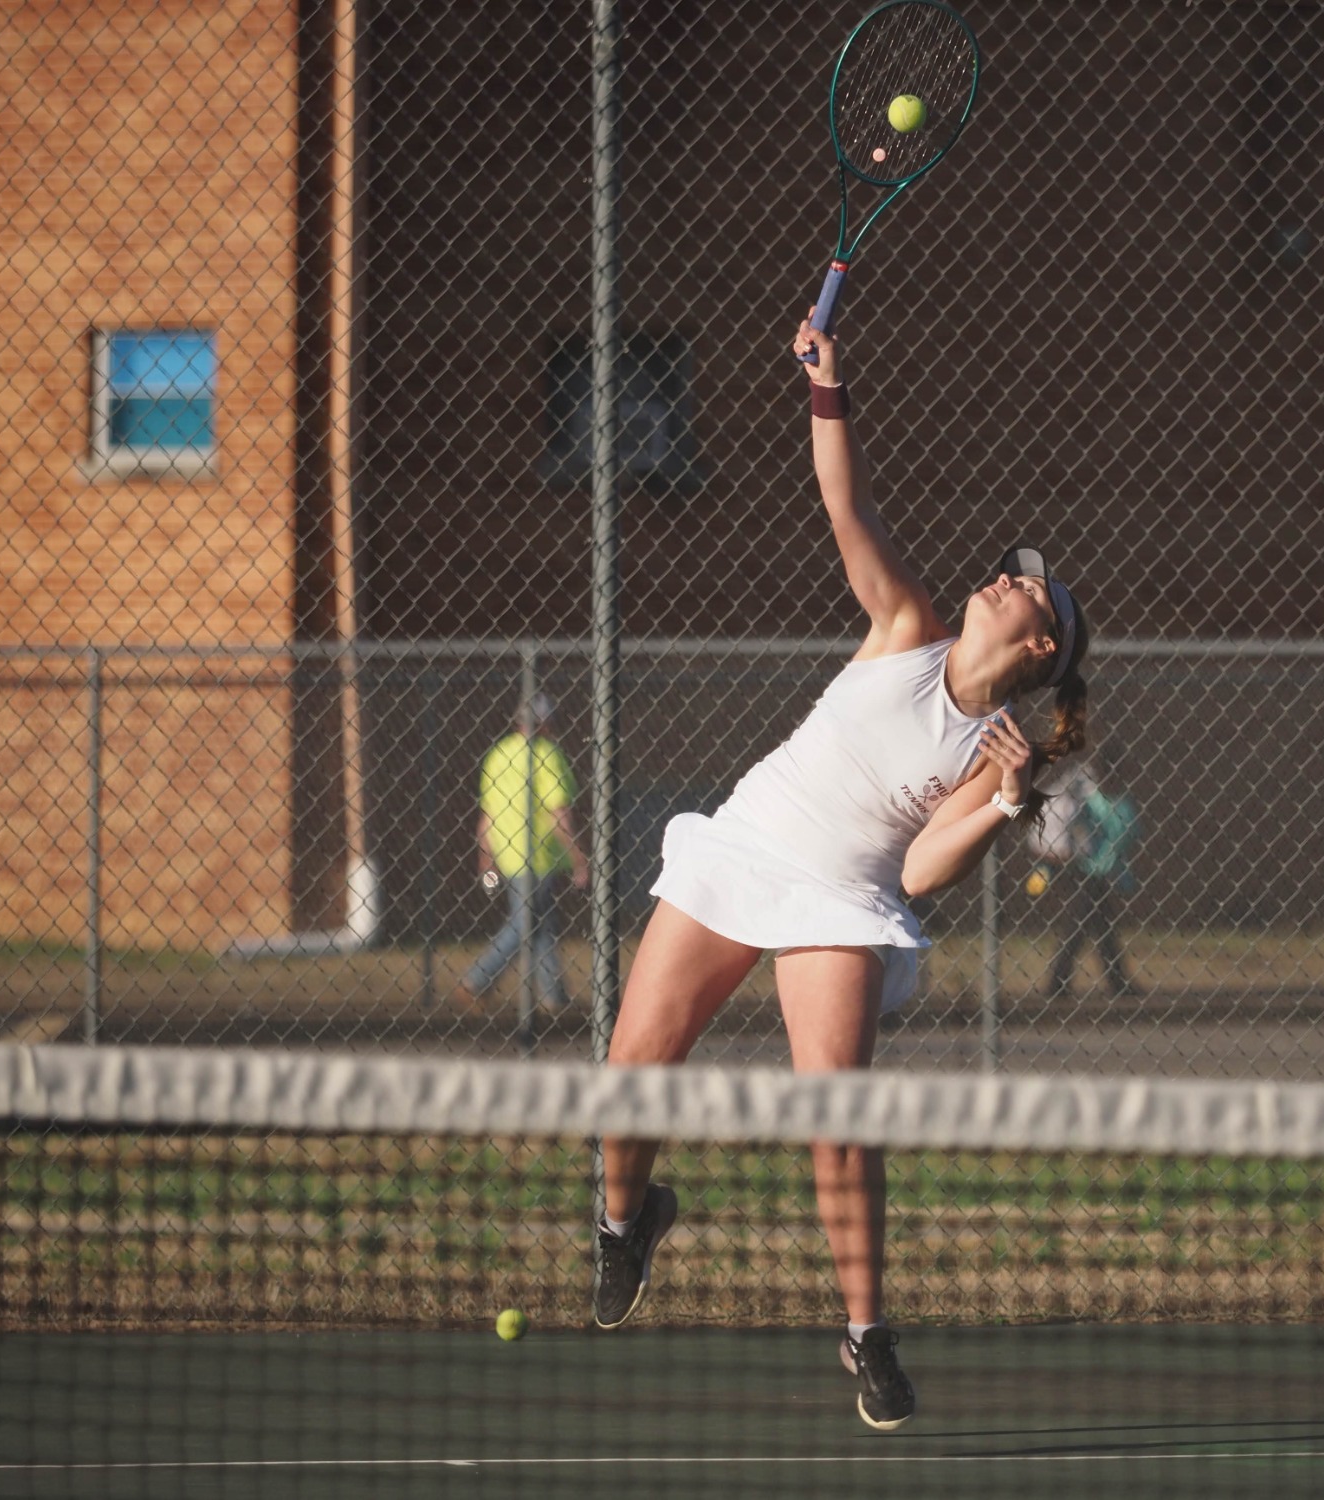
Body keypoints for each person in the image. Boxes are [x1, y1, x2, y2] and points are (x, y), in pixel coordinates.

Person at [592, 313, 1091, 1432]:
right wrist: (830, 386)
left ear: (1040, 646)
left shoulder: (996, 753)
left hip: (842, 903)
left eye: (1025, 590)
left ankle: (866, 1335)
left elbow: (919, 868)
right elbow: (844, 504)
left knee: (837, 1122)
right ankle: (627, 1218)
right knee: (631, 1067)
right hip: (744, 843)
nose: (1004, 581)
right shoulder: (905, 623)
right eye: (1007, 576)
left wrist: (1004, 806)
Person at [458, 691, 589, 1012]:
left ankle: (554, 996)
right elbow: (558, 813)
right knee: (525, 923)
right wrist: (579, 858)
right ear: (546, 722)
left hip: (507, 853)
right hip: (539, 855)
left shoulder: (498, 754)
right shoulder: (548, 754)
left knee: (540, 923)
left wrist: (486, 856)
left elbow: (486, 816)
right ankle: (477, 980)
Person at [1029, 744, 1139, 1000]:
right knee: (1083, 923)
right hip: (1077, 866)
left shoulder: (1099, 794)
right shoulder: (1084, 792)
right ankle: (1063, 982)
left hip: (1091, 868)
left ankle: (1112, 980)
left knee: (1099, 923)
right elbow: (1067, 821)